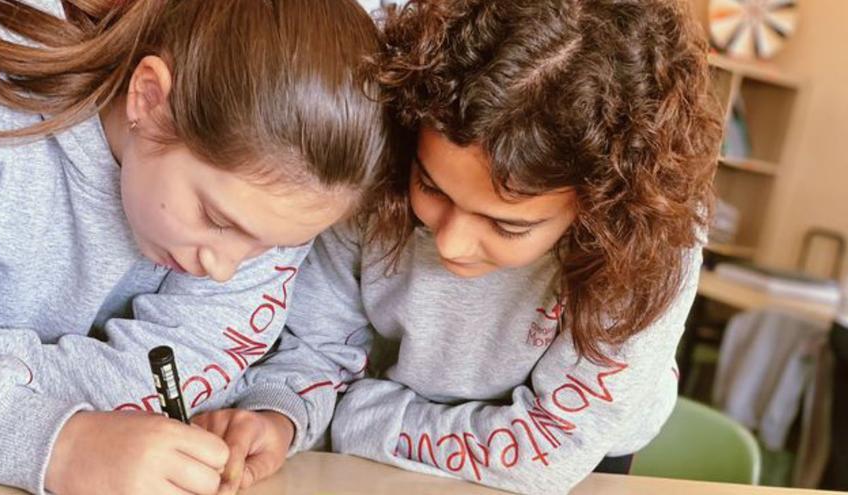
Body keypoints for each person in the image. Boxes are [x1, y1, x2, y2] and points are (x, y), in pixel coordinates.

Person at [217, 0, 723, 493]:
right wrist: (277, 413)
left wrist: (352, 412)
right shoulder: (380, 161)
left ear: (599, 210)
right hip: (381, 436)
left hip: (570, 462)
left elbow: (549, 455)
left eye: (507, 226)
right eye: (431, 187)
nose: (451, 243)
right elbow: (316, 348)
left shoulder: (651, 240)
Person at [0, 0, 391, 494]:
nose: (224, 270)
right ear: (148, 98)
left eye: (275, 248)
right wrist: (57, 444)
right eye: (215, 218)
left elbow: (192, 360)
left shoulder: (276, 202)